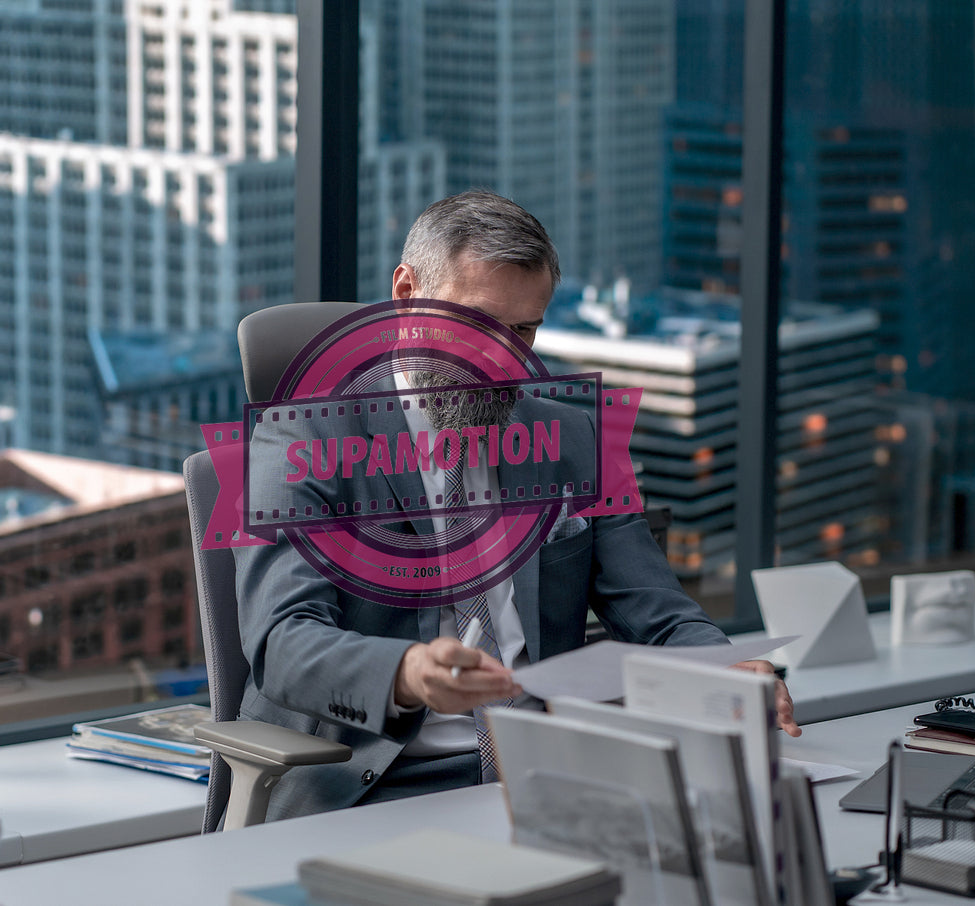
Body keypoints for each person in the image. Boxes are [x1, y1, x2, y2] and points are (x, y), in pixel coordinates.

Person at [233, 190, 798, 822]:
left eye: (524, 330)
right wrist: (409, 672)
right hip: (379, 783)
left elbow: (658, 614)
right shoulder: (302, 437)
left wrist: (727, 666)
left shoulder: (574, 438)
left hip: (551, 770)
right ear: (406, 294)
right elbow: (283, 642)